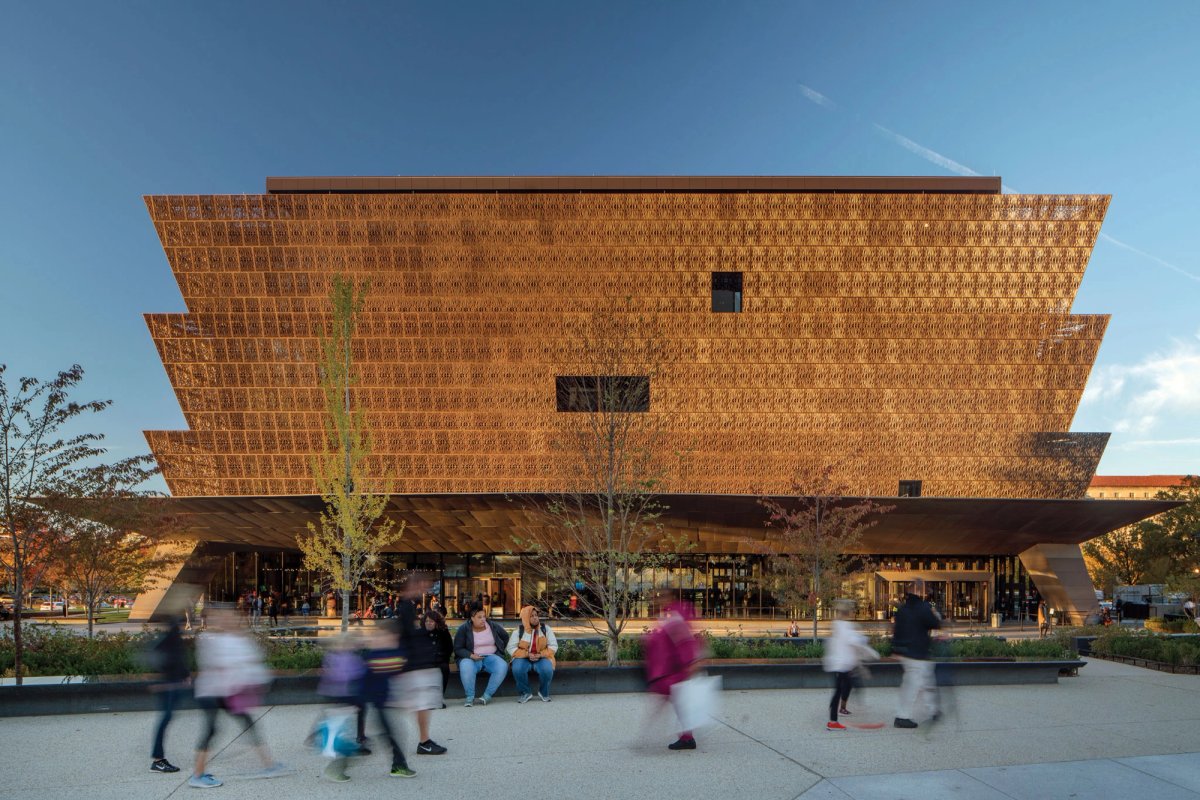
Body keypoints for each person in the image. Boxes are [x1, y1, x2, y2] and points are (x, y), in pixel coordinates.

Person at [190, 606, 291, 788]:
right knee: (211, 730)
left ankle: (270, 765)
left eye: (232, 618)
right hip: (211, 692)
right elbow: (224, 665)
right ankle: (197, 775)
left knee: (248, 724)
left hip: (225, 692)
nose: (230, 622)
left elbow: (247, 661)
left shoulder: (230, 638)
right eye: (226, 619)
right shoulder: (210, 638)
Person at [395, 572, 449, 755]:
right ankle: (422, 742)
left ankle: (424, 740)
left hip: (417, 663)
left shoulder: (409, 605)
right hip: (414, 665)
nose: (425, 588)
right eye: (423, 585)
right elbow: (405, 635)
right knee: (421, 703)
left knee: (422, 704)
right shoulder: (405, 606)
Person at [643, 594, 702, 750]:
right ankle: (686, 737)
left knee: (672, 704)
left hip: (673, 672)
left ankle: (686, 738)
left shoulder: (675, 619)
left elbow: (683, 644)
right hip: (673, 671)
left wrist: (689, 664)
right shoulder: (674, 617)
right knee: (677, 704)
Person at [360, 620, 415, 779]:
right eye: (378, 635)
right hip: (377, 702)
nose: (379, 638)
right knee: (389, 734)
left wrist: (405, 697)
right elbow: (364, 681)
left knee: (393, 733)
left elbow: (402, 674)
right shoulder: (372, 656)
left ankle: (398, 765)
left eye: (383, 635)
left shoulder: (397, 653)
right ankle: (398, 765)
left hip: (387, 702)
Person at [891, 580, 942, 729]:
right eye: (925, 591)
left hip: (906, 653)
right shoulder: (923, 607)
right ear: (919, 591)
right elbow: (935, 623)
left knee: (925, 681)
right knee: (913, 685)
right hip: (919, 653)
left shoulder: (902, 609)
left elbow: (896, 630)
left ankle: (933, 710)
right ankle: (902, 716)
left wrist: (895, 649)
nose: (927, 593)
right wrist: (936, 615)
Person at [822, 599, 878, 731]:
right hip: (842, 665)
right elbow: (857, 642)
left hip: (837, 664)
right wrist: (874, 653)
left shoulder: (836, 625)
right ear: (848, 613)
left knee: (840, 689)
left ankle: (835, 715)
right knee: (840, 690)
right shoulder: (845, 627)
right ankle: (833, 720)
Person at [149, 612, 190, 774]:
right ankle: (158, 760)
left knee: (165, 719)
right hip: (170, 686)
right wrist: (185, 675)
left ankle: (158, 759)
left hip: (169, 685)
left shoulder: (167, 639)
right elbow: (177, 660)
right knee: (165, 719)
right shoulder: (174, 639)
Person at [454, 603, 510, 706]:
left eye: (484, 616)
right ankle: (470, 697)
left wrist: (499, 652)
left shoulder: (492, 625)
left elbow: (505, 636)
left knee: (502, 665)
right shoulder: (464, 629)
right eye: (479, 617)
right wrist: (471, 655)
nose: (483, 619)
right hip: (471, 658)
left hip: (491, 657)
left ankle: (486, 696)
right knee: (466, 666)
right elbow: (458, 648)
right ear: (472, 618)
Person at [507, 605, 558, 703]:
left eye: (536, 615)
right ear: (526, 618)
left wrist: (541, 654)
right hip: (523, 657)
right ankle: (525, 693)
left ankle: (544, 692)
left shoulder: (545, 629)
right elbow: (511, 648)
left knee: (547, 669)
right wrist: (526, 654)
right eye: (532, 616)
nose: (535, 617)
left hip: (542, 657)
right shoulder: (519, 630)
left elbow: (553, 646)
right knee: (517, 668)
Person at [422, 608, 454, 707]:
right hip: (425, 661)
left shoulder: (443, 632)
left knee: (444, 668)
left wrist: (443, 658)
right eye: (426, 621)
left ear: (436, 622)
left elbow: (449, 648)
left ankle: (438, 699)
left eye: (431, 621)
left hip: (440, 660)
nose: (428, 623)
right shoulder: (420, 633)